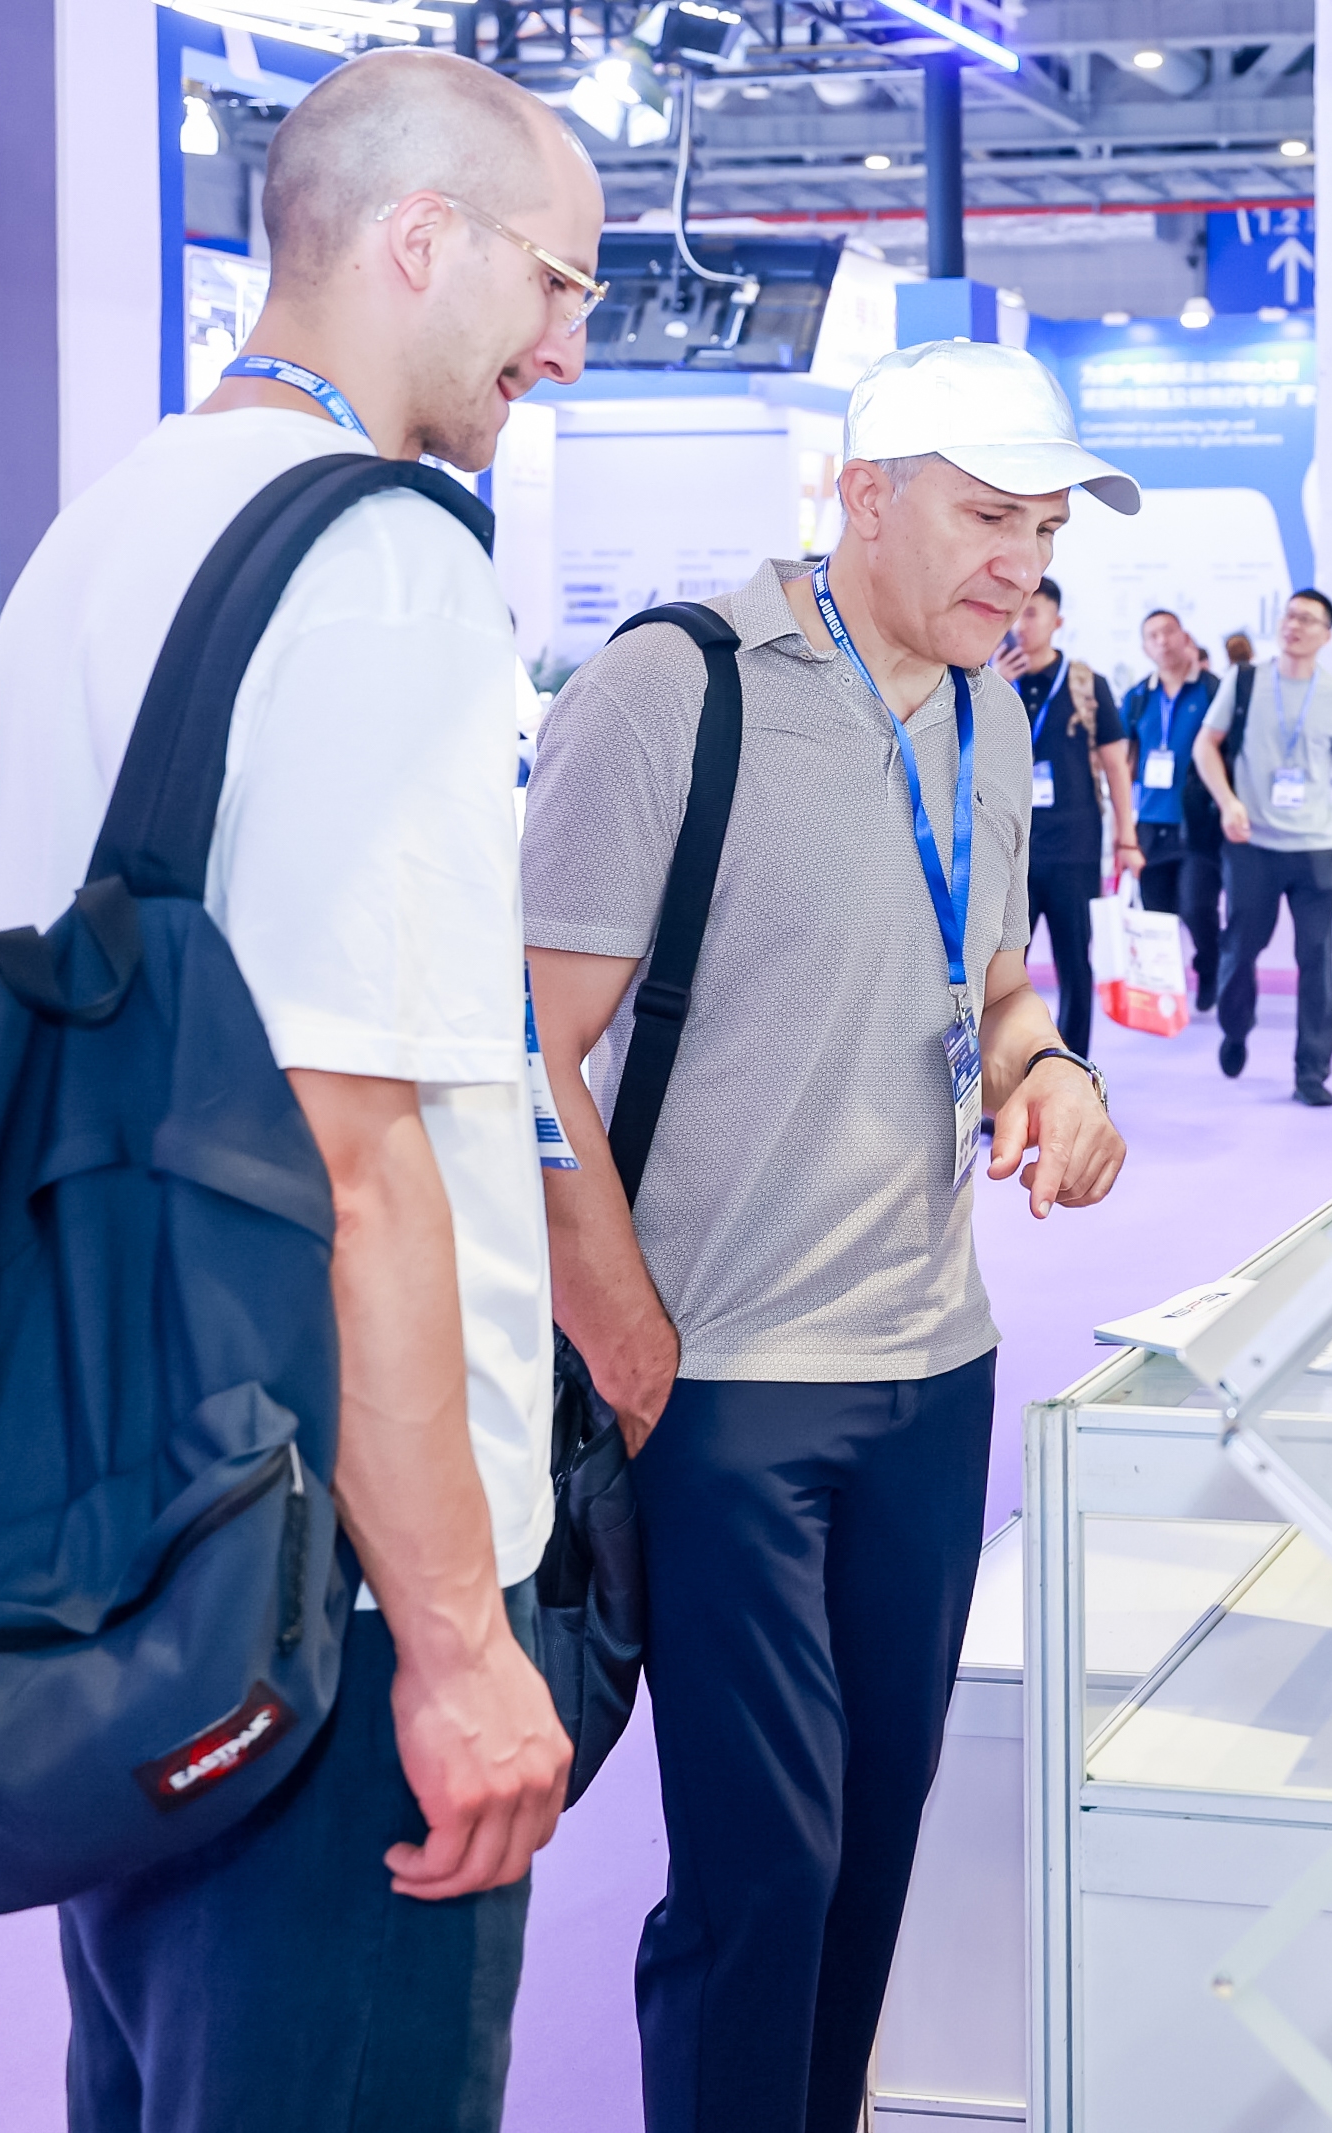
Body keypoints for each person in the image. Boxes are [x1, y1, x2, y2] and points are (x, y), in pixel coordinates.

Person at [0, 50, 595, 2131]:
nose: (565, 347)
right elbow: (353, 1153)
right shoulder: (384, 560)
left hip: (129, 1512)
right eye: (557, 282)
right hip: (324, 1579)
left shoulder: (102, 535)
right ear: (421, 238)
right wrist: (457, 1644)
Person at [522, 336, 1134, 2133]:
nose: (1022, 565)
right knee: (762, 1871)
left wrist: (1051, 1068)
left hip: (934, 1371)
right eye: (989, 518)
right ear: (865, 495)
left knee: (875, 1846)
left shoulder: (995, 709)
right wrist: (630, 1340)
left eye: (1045, 531)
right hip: (722, 1382)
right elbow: (524, 1046)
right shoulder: (675, 688)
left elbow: (992, 976)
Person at [1195, 587, 1332, 1104]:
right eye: (1290, 615)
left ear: (1326, 635)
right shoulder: (1244, 681)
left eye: (1308, 619)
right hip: (1252, 844)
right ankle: (1236, 1027)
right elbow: (1206, 745)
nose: (1295, 625)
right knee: (1240, 949)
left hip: (1315, 847)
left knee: (1316, 959)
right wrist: (1228, 802)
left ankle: (1311, 1073)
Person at [997, 574, 1136, 1056]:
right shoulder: (986, 679)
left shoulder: (1086, 684)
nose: (1022, 623)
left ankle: (1073, 1067)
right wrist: (996, 686)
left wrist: (1127, 837)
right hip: (1010, 850)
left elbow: (1116, 766)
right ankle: (1004, 1070)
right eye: (1017, 611)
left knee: (1075, 963)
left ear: (1057, 622)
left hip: (1075, 847)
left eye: (1033, 612)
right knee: (1001, 968)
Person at [1124, 608, 1225, 1008]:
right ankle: (1167, 990)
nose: (1162, 641)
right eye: (1153, 636)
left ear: (1186, 638)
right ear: (1145, 648)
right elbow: (1123, 759)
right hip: (1150, 824)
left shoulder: (1214, 691)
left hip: (1199, 823)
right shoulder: (1137, 698)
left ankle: (1209, 964)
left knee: (1197, 906)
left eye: (1169, 631)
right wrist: (1123, 831)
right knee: (1158, 915)